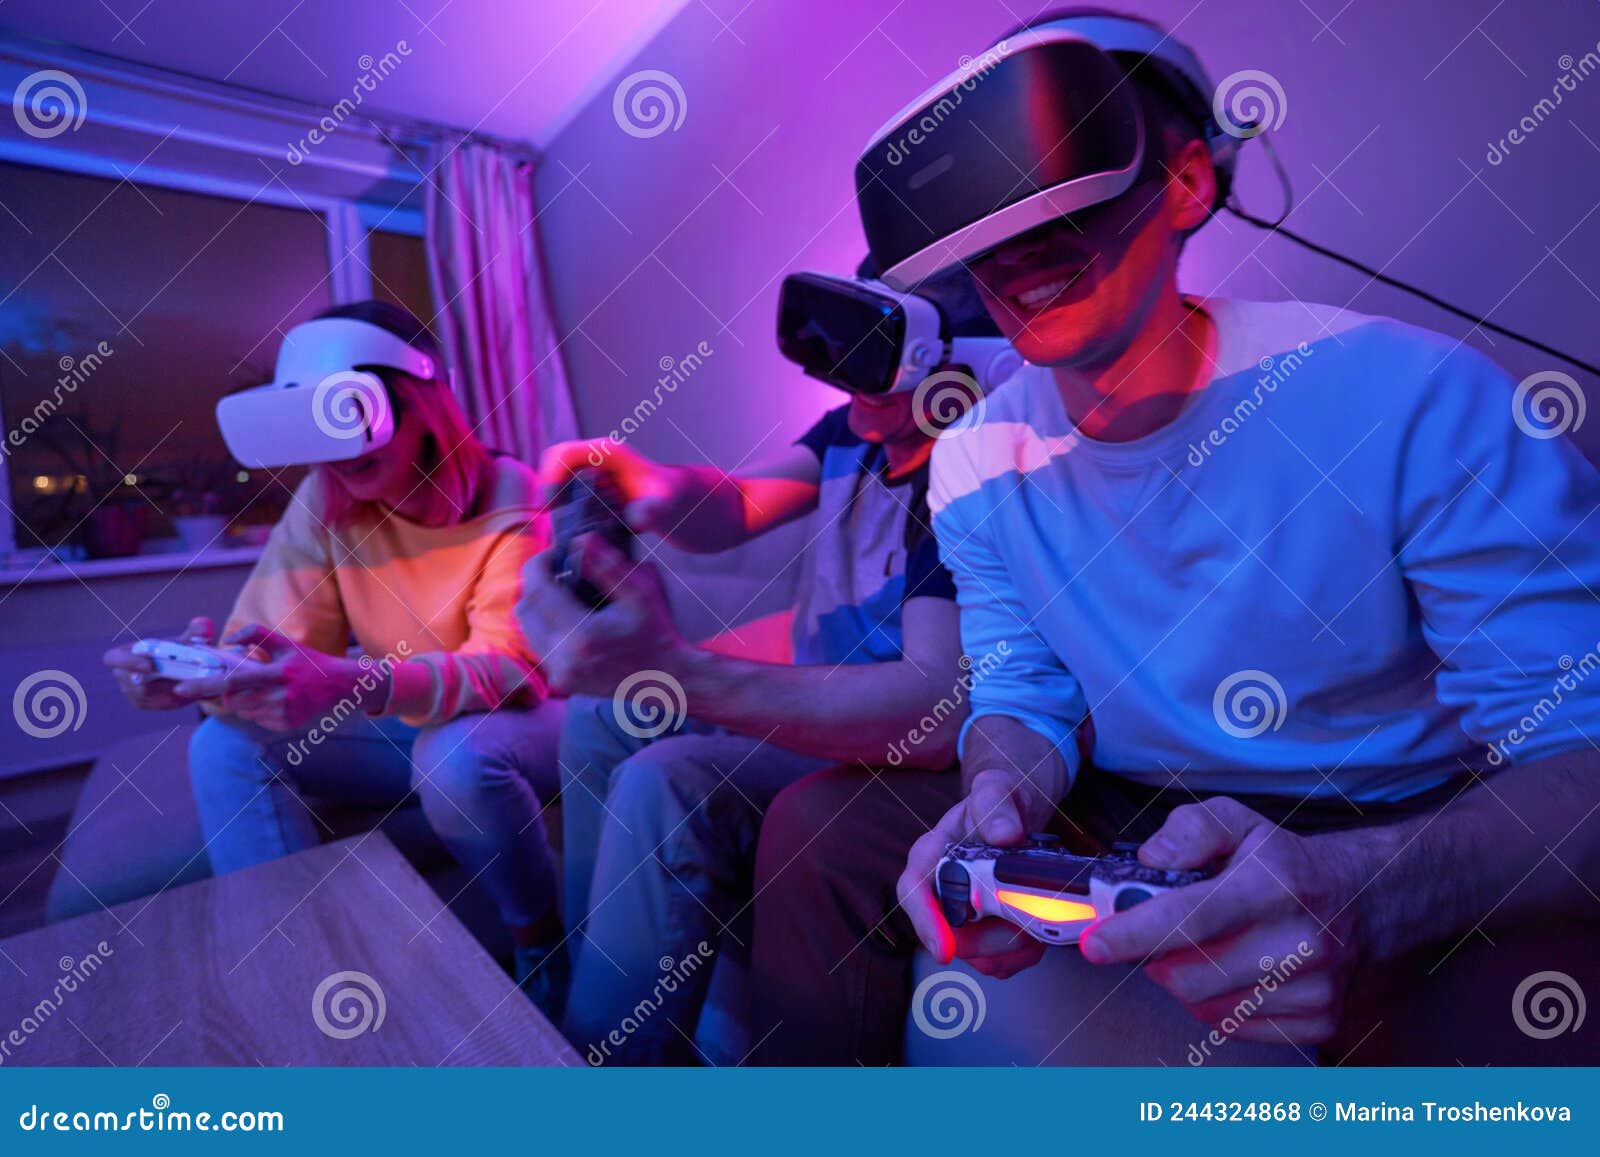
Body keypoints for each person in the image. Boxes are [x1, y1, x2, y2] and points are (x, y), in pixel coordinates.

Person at [778, 9, 1600, 1065]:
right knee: (822, 830)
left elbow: (1579, 747)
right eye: (983, 212)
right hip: (1122, 806)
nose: (1016, 248)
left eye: (1053, 188)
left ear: (1183, 182)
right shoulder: (975, 458)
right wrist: (1000, 790)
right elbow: (1021, 692)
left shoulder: (1410, 398)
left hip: (1384, 810)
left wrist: (1366, 892)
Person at [516, 330, 972, 1063]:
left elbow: (929, 707)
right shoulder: (853, 431)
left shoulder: (965, 462)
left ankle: (604, 1073)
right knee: (603, 715)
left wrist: (683, 667)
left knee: (665, 781)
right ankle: (571, 1007)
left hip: (885, 750)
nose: (856, 385)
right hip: (816, 716)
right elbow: (738, 505)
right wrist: (646, 484)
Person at [103, 301, 571, 1014]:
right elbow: (270, 641)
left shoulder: (515, 494)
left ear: (419, 403)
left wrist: (354, 681)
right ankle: (303, 979)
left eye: (349, 412)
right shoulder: (326, 502)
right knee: (222, 744)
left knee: (454, 756)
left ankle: (543, 943)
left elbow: (508, 670)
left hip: (512, 724)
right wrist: (207, 676)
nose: (337, 451)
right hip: (406, 723)